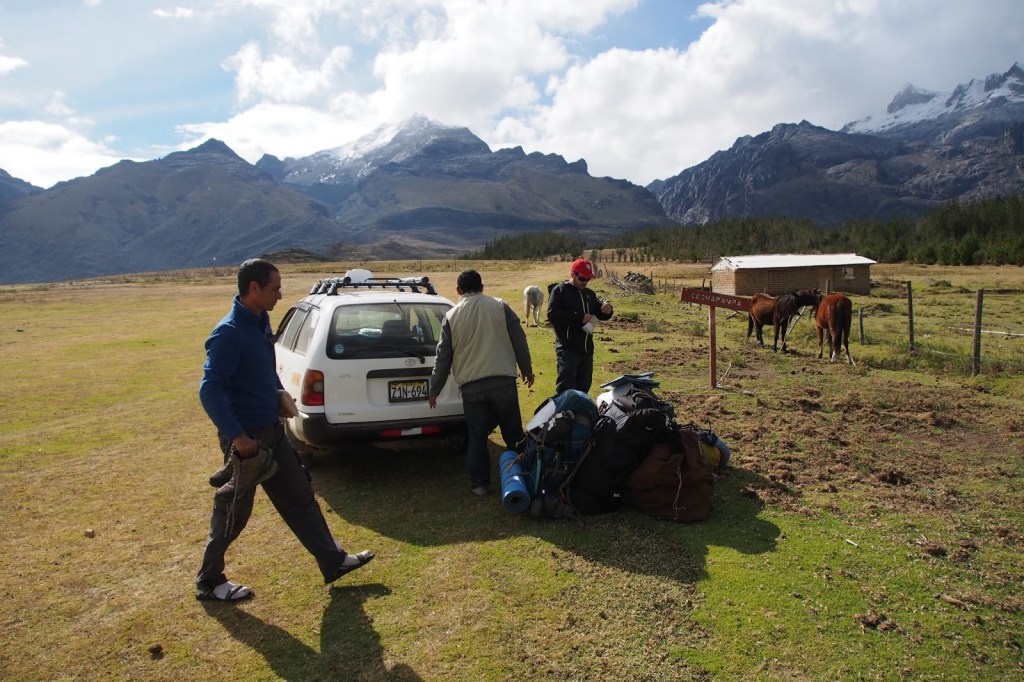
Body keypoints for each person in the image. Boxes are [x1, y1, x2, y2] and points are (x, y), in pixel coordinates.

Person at [195, 258, 373, 602]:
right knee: (234, 511)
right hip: (247, 440)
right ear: (254, 288)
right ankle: (209, 580)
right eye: (275, 288)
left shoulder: (260, 321)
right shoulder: (229, 333)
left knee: (300, 495)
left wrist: (276, 392)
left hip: (272, 431)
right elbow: (210, 389)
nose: (280, 294)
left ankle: (333, 561)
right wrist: (237, 436)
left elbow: (264, 370)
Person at [428, 269, 535, 496]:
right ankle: (524, 479)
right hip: (504, 383)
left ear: (458, 291)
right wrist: (527, 370)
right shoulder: (500, 306)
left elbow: (443, 356)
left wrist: (434, 389)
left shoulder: (451, 316)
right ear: (482, 287)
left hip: (472, 388)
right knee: (514, 434)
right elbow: (520, 340)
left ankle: (479, 485)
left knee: (477, 437)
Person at [546, 258, 614, 395]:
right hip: (568, 350)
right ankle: (563, 415)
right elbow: (552, 315)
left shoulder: (589, 294)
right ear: (573, 274)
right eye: (582, 278)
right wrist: (578, 317)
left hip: (587, 351)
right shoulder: (560, 291)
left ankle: (580, 416)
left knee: (583, 390)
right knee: (566, 391)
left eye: (588, 279)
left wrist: (608, 309)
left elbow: (601, 313)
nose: (585, 282)